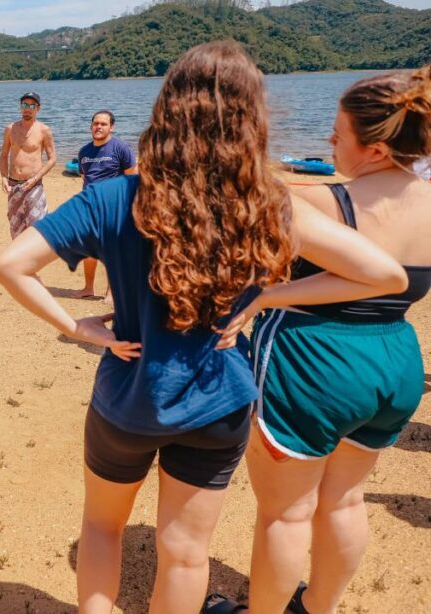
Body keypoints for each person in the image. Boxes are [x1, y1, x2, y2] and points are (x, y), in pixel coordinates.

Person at [0, 41, 407, 614]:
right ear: (250, 120)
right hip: (218, 404)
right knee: (186, 553)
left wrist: (78, 327)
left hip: (128, 398)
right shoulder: (267, 203)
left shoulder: (115, 197)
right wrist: (264, 299)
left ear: (166, 112)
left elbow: (8, 266)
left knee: (102, 527)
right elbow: (383, 274)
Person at [204, 66, 431, 614]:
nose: (329, 140)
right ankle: (318, 607)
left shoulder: (322, 204)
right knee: (346, 499)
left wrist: (261, 298)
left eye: (338, 133)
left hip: (315, 361)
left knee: (285, 514)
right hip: (397, 360)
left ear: (376, 149)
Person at [76, 110, 137, 300]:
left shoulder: (120, 148)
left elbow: (131, 179)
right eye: (96, 123)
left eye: (103, 124)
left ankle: (112, 292)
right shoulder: (84, 151)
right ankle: (88, 288)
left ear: (111, 127)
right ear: (91, 126)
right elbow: (85, 178)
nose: (99, 127)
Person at [0, 92, 57, 238]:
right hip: (13, 185)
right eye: (24, 105)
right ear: (20, 107)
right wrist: (4, 177)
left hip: (34, 186)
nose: (27, 109)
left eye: (32, 106)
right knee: (16, 229)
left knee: (38, 230)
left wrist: (36, 178)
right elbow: (4, 155)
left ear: (38, 109)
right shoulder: (10, 129)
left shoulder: (44, 130)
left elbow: (52, 159)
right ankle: (20, 260)